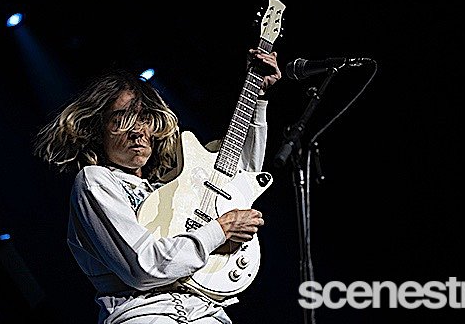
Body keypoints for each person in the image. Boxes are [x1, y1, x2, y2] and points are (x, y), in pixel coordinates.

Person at [32, 48, 281, 323]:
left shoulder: (166, 189)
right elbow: (144, 266)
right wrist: (219, 231)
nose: (137, 131)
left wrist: (258, 96)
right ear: (98, 130)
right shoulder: (95, 181)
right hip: (146, 315)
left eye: (143, 118)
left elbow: (241, 177)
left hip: (207, 313)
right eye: (121, 119)